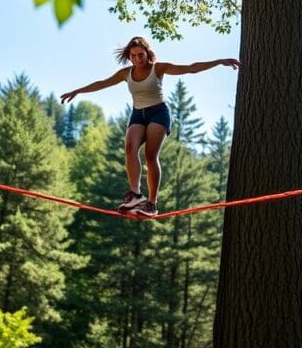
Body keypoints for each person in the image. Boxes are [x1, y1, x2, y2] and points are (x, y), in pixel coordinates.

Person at [60, 36, 240, 217]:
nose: (137, 59)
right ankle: (136, 195)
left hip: (158, 113)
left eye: (140, 55)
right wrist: (78, 91)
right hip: (138, 114)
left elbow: (190, 68)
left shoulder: (158, 68)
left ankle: (152, 204)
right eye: (133, 56)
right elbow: (102, 83)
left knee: (150, 155)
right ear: (129, 56)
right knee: (130, 148)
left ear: (147, 53)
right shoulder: (126, 73)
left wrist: (219, 62)